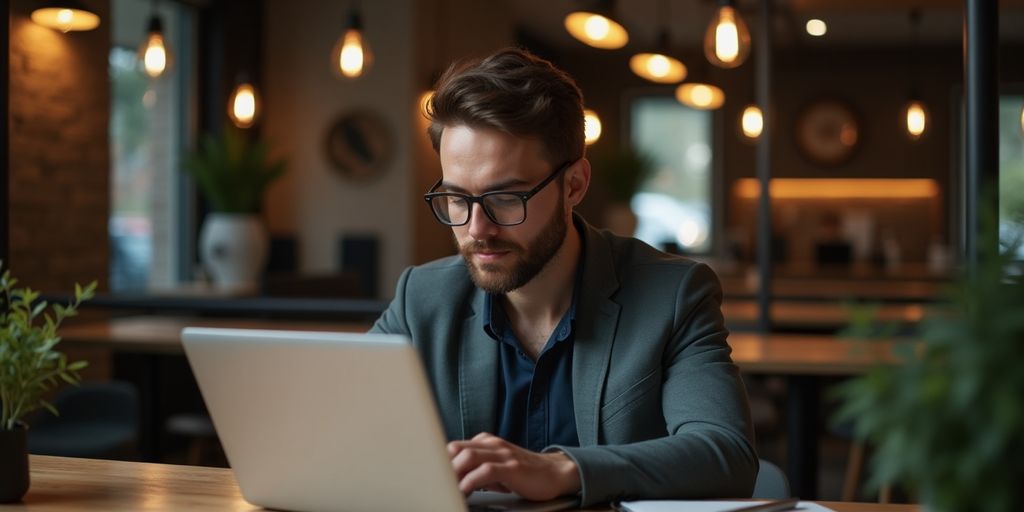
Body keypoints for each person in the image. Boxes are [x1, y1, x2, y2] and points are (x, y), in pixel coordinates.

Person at [370, 47, 757, 507]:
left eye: (506, 198)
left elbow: (726, 455)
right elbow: (334, 427)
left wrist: (564, 469)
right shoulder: (422, 300)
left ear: (574, 185)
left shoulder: (673, 294)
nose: (476, 229)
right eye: (456, 199)